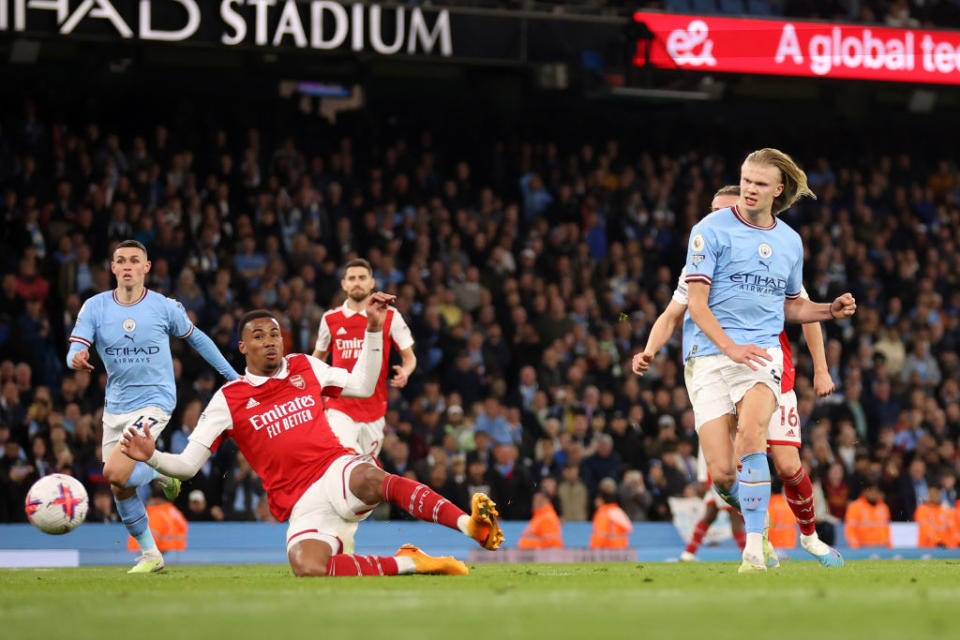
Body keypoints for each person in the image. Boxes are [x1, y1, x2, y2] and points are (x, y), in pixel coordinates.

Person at [121, 298, 503, 578]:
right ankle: (412, 562)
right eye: (259, 335)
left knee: (370, 476)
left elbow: (365, 384)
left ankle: (470, 525)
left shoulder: (305, 366)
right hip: (301, 503)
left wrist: (373, 331)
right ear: (243, 348)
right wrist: (152, 456)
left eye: (275, 333)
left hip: (335, 470)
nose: (270, 340)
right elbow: (186, 467)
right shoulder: (229, 400)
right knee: (307, 567)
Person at [634, 185, 844, 568]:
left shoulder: (773, 256)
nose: (716, 219)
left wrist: (821, 367)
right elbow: (672, 314)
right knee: (722, 474)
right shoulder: (698, 263)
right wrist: (649, 350)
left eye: (724, 211)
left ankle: (807, 538)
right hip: (711, 366)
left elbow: (804, 311)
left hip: (766, 368)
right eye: (711, 210)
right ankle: (756, 521)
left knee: (785, 463)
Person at [66, 239, 239, 573]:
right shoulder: (95, 307)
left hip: (156, 400)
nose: (127, 266)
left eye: (134, 260)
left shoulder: (164, 307)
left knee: (113, 472)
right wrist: (76, 356)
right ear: (112, 268)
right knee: (120, 485)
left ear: (146, 268)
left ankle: (160, 469)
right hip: (115, 407)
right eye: (121, 260)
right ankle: (151, 554)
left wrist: (231, 375)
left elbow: (197, 338)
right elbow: (76, 345)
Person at [312, 258, 416, 458]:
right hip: (338, 407)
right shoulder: (330, 319)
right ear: (344, 284)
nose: (357, 282)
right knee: (346, 462)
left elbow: (409, 357)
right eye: (352, 278)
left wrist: (406, 370)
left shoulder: (390, 316)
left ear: (372, 283)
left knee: (366, 474)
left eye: (362, 277)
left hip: (374, 409)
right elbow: (317, 359)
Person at [844, 482, 891, 548]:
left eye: (875, 491)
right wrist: (854, 546)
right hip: (862, 547)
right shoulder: (855, 506)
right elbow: (850, 529)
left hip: (881, 547)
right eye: (870, 490)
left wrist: (889, 546)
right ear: (864, 491)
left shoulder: (883, 507)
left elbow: (886, 528)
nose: (873, 493)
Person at [589, 478, 632, 549]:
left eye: (597, 499)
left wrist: (593, 549)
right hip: (621, 550)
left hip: (608, 552)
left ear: (601, 500)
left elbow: (599, 535)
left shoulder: (603, 513)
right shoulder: (617, 511)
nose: (595, 502)